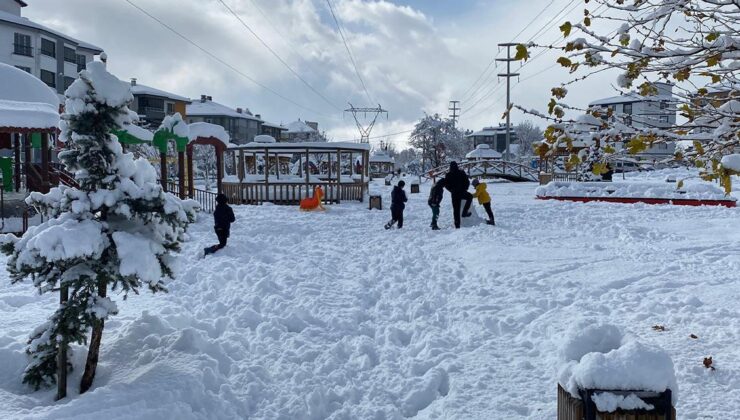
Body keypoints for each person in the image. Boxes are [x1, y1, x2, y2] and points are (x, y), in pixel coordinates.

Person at [444, 161, 473, 229]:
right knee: (470, 197)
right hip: (462, 192)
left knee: (456, 210)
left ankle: (457, 225)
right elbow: (467, 182)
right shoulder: (461, 172)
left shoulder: (448, 174)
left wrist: (451, 190)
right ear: (457, 166)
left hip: (454, 194)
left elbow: (446, 185)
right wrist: (465, 189)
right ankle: (465, 212)